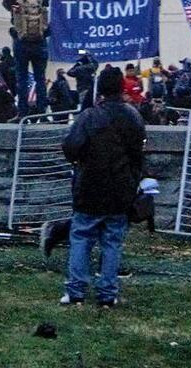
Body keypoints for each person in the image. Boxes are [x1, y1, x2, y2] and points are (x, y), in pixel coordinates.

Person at [61, 66, 145, 307]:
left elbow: (70, 147)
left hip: (89, 186)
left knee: (81, 237)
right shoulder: (133, 117)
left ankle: (75, 290)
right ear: (121, 87)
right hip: (120, 189)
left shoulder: (89, 116)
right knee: (112, 241)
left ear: (100, 90)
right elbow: (139, 153)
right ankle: (107, 293)